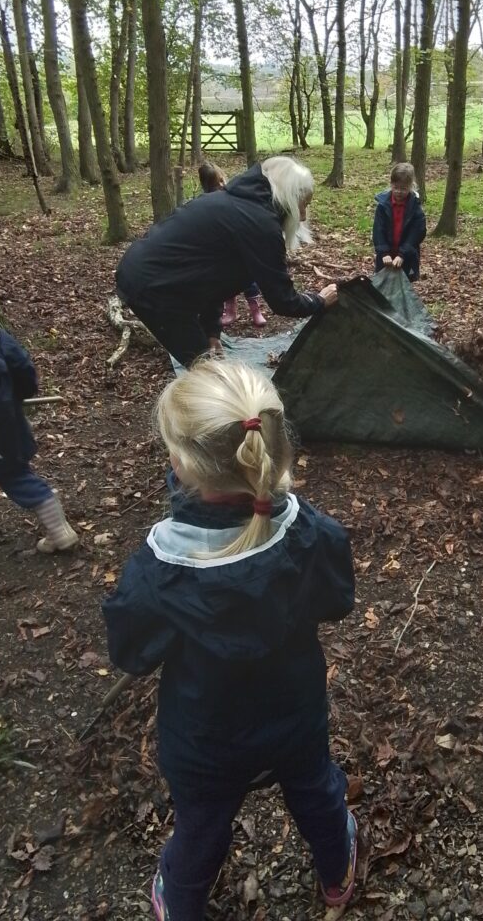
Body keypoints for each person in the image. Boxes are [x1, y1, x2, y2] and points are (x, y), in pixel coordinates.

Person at [102, 359, 358, 920]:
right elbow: (338, 600)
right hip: (296, 712)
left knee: (201, 824)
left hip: (204, 738)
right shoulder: (308, 531)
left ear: (180, 464)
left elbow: (131, 652)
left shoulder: (159, 569)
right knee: (316, 790)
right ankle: (336, 872)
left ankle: (183, 902)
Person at [116, 157, 337, 367]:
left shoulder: (238, 206)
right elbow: (283, 301)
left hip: (154, 277)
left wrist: (212, 332)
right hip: (152, 285)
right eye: (303, 205)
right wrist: (318, 301)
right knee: (205, 369)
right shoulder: (259, 224)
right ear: (289, 197)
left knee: (205, 358)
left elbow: (213, 278)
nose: (304, 216)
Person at [0, 320, 78, 552]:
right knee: (13, 470)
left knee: (13, 474)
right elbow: (20, 363)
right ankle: (57, 528)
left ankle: (59, 532)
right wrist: (22, 393)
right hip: (4, 420)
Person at [198, 161, 267, 329]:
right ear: (207, 186)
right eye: (216, 184)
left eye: (222, 180)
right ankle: (231, 310)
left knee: (249, 280)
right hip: (221, 250)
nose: (221, 185)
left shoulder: (234, 196)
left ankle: (256, 310)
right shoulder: (206, 202)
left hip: (240, 248)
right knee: (226, 281)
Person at [372, 162, 426, 282]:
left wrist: (403, 254)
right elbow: (378, 230)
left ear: (411, 186)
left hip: (406, 257)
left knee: (404, 288)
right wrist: (383, 252)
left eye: (403, 189)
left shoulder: (415, 207)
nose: (399, 192)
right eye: (396, 188)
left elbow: (416, 234)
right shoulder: (383, 205)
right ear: (391, 184)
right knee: (382, 286)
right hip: (385, 256)